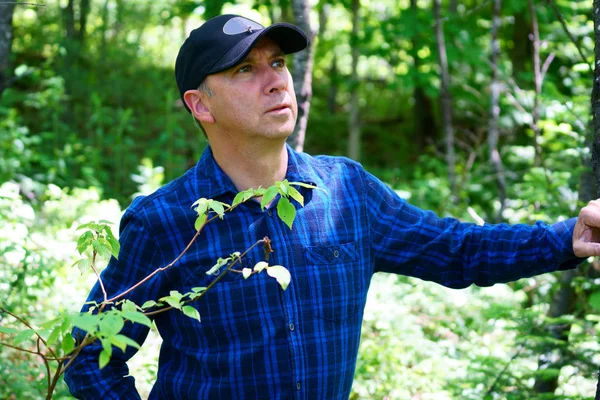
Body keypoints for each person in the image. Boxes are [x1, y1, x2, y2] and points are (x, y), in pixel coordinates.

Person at [64, 13, 600, 400]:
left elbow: (458, 250)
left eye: (276, 63)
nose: (275, 80)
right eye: (245, 71)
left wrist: (567, 238)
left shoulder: (346, 191)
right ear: (199, 104)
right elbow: (90, 356)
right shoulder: (165, 220)